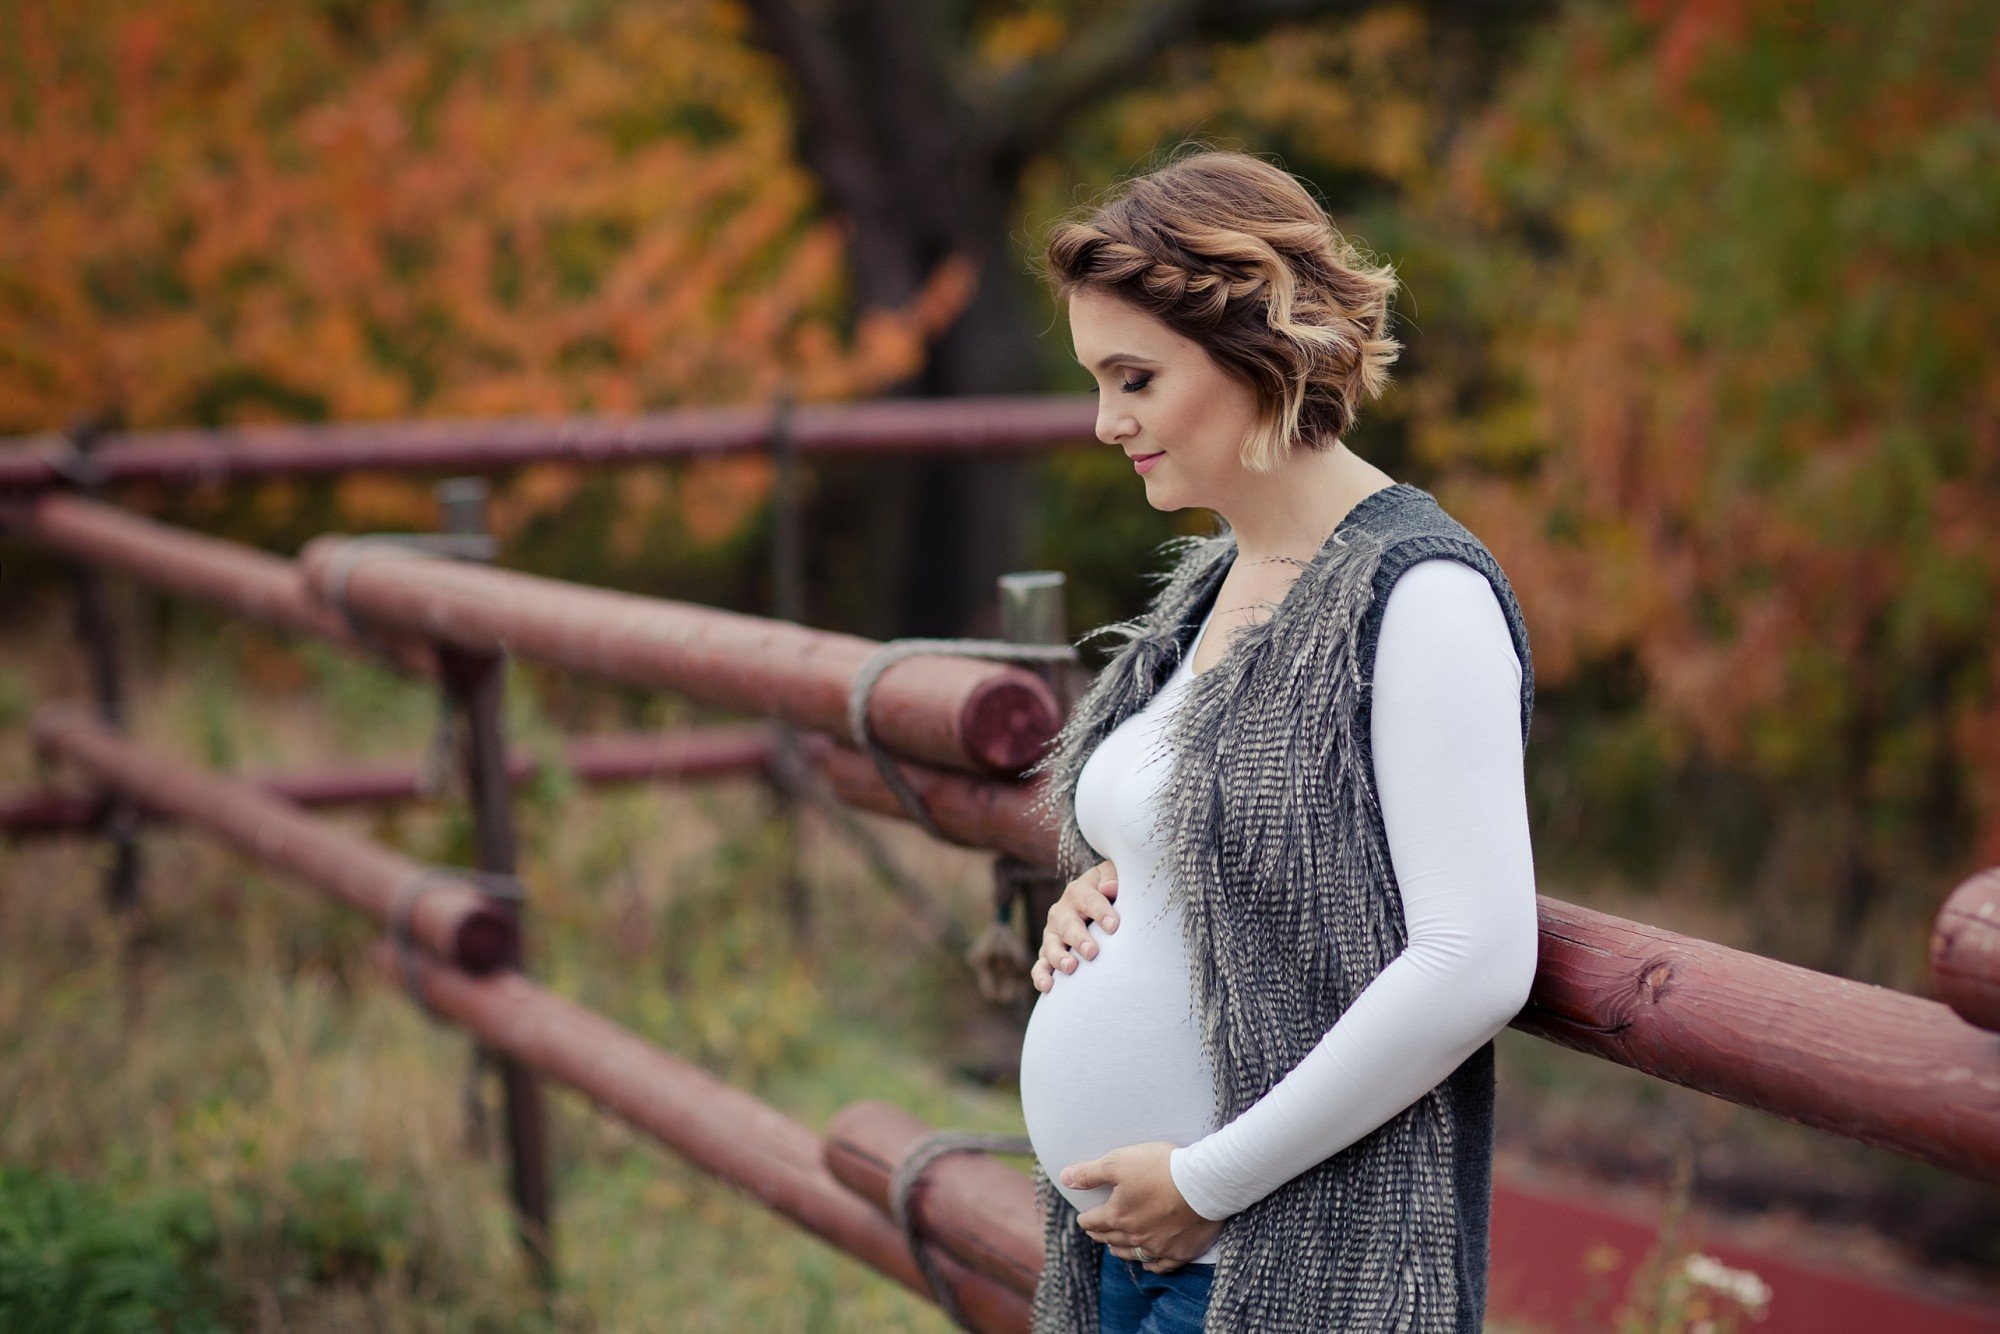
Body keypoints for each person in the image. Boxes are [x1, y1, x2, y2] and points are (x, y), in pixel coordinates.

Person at [1014, 146, 1540, 1332]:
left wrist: (1207, 1181)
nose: (1106, 421)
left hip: (1268, 1269)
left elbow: (1475, 956)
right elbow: (1219, 843)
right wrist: (1116, 891)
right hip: (1129, 1256)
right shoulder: (1211, 581)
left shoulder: (1417, 592)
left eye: (1134, 377)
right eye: (1098, 381)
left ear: (1260, 345)